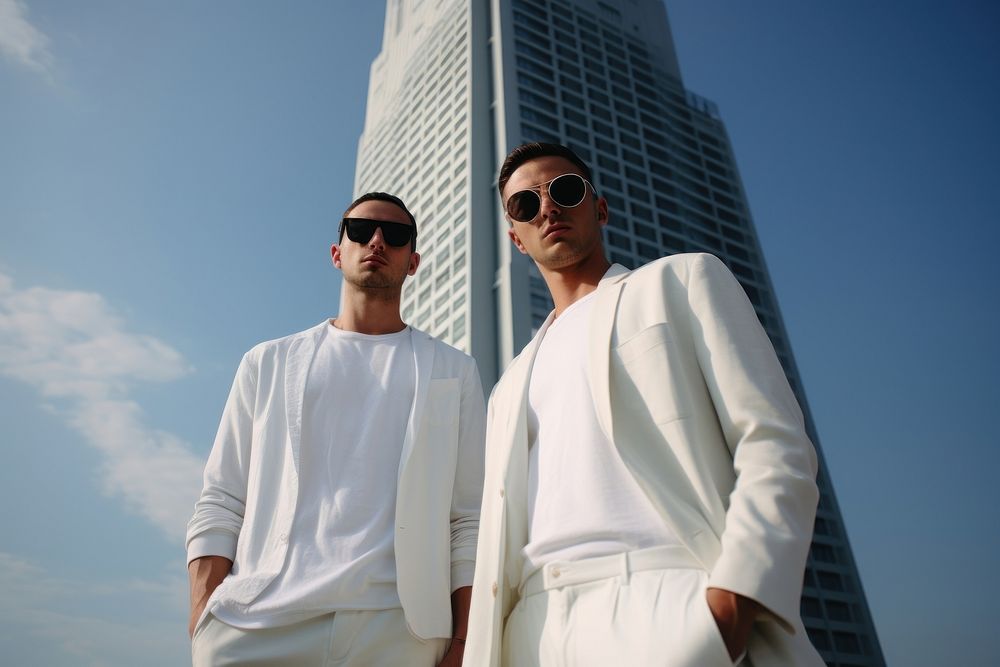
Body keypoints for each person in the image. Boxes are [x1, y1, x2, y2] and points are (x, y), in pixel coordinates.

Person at [465, 143, 825, 667]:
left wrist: (731, 608)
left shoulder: (681, 281)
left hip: (666, 595)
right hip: (531, 631)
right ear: (515, 238)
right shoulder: (507, 385)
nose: (547, 208)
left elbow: (775, 446)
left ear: (600, 208)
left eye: (565, 190)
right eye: (525, 204)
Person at [186, 192, 485, 666]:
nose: (378, 241)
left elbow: (468, 517)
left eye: (397, 235)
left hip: (399, 631)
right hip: (257, 623)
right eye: (361, 231)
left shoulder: (454, 370)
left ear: (413, 262)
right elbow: (222, 495)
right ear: (336, 251)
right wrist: (203, 614)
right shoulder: (267, 361)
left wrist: (465, 640)